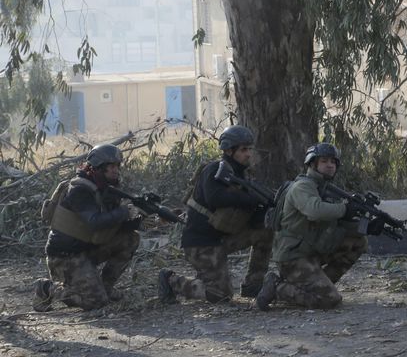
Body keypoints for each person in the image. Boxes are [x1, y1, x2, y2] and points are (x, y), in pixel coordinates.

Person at [158, 125, 273, 304]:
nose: (248, 154)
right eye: (243, 150)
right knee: (221, 295)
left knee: (266, 232)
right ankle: (172, 281)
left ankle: (253, 285)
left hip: (223, 240)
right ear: (228, 150)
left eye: (250, 149)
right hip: (201, 243)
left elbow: (251, 217)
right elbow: (215, 198)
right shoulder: (214, 170)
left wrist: (263, 208)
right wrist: (251, 199)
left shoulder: (243, 176)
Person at [255, 143, 376, 311]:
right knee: (330, 301)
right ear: (312, 164)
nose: (330, 165)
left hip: (312, 251)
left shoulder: (325, 188)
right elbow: (315, 211)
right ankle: (278, 287)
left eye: (333, 162)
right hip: (293, 257)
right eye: (324, 161)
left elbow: (335, 224)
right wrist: (344, 208)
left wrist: (366, 226)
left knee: (358, 241)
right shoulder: (303, 186)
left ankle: (318, 284)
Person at [34, 144, 142, 311]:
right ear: (98, 168)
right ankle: (46, 288)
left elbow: (113, 226)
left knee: (131, 238)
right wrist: (124, 212)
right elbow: (95, 221)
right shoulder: (80, 189)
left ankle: (105, 288)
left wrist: (143, 220)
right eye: (111, 166)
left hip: (87, 249)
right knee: (96, 303)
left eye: (117, 166)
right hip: (64, 257)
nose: (116, 170)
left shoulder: (105, 189)